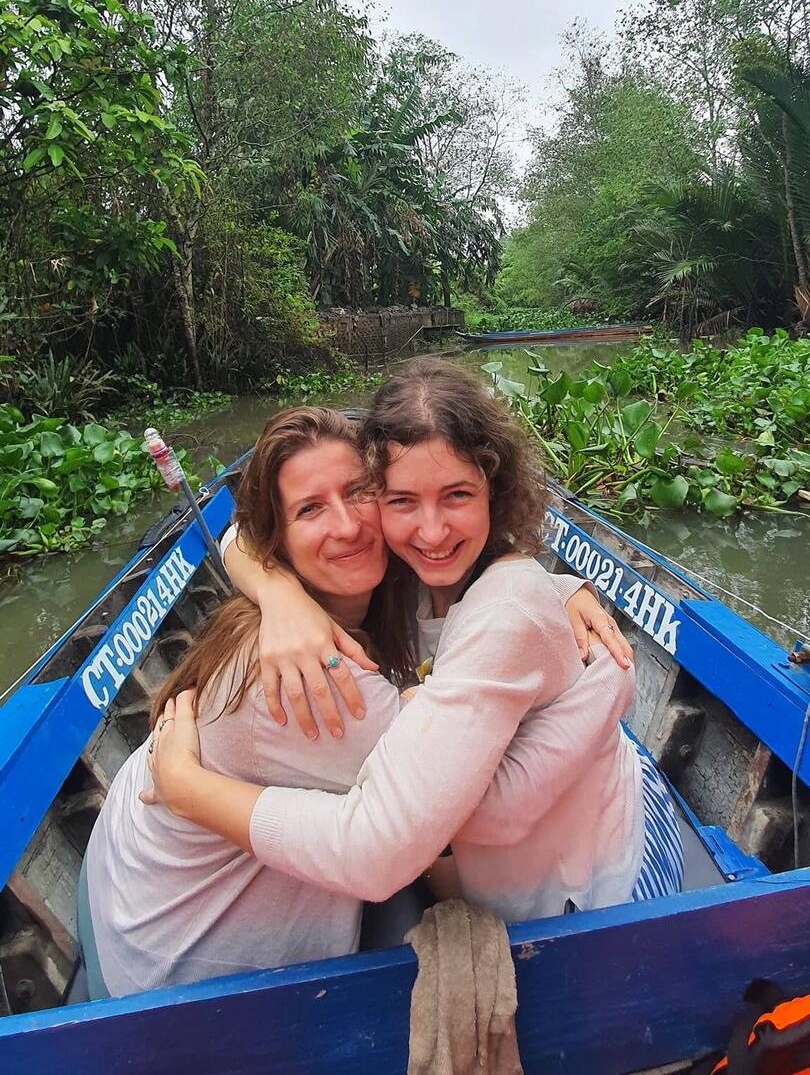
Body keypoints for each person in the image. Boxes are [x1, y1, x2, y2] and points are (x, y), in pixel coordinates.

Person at [84, 403, 629, 997]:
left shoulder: (357, 587)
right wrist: (611, 681)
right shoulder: (306, 679)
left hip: (119, 876)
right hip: (182, 983)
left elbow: (237, 537)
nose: (346, 526)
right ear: (278, 539)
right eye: (310, 509)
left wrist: (556, 586)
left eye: (358, 492)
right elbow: (471, 809)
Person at [146, 359, 684, 925]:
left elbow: (477, 815)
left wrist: (187, 789)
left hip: (600, 889)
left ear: (494, 490)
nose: (430, 532)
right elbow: (238, 533)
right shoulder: (403, 573)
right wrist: (280, 595)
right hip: (529, 856)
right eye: (401, 500)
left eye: (457, 495)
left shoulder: (499, 603)